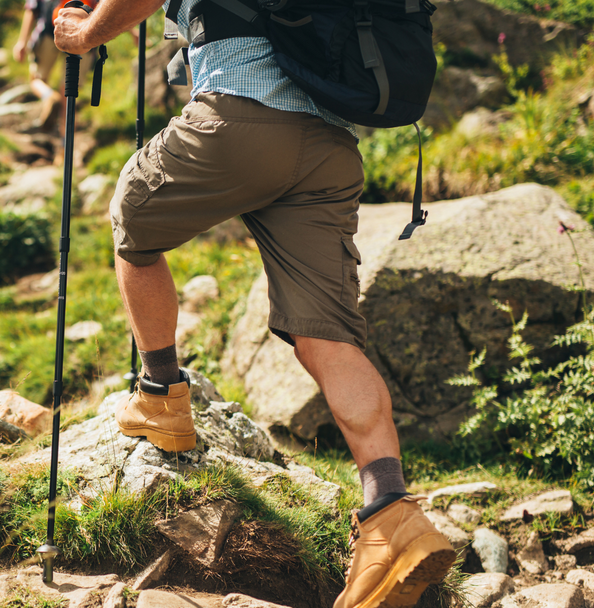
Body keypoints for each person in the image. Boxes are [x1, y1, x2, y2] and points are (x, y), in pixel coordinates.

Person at [52, 1, 456, 607]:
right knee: (329, 338)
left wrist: (85, 31)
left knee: (133, 216)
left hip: (238, 119)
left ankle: (161, 396)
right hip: (327, 149)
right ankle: (391, 513)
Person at [11, 0, 98, 135]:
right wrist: (131, 31)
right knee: (69, 97)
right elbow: (108, 7)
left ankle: (49, 96)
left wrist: (22, 41)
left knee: (36, 79)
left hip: (48, 30)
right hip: (82, 33)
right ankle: (64, 150)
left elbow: (32, 8)